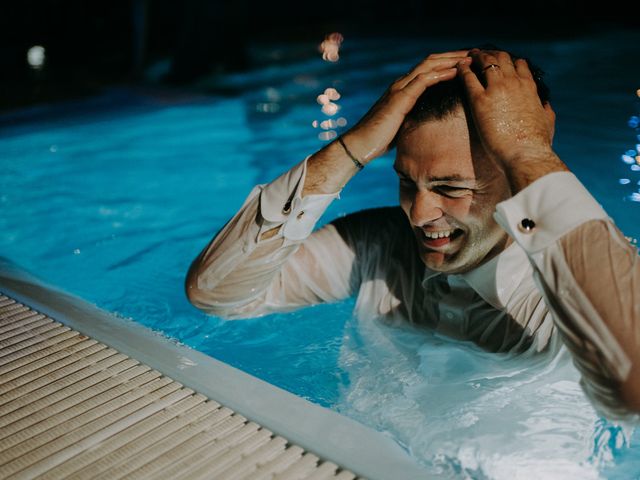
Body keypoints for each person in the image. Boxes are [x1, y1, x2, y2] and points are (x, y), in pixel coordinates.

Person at [185, 46, 639, 421]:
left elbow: (632, 391)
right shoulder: (380, 245)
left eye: (451, 188)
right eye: (407, 182)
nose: (419, 214)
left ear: (514, 175)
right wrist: (352, 146)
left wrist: (528, 152)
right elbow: (217, 295)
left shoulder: (576, 286)